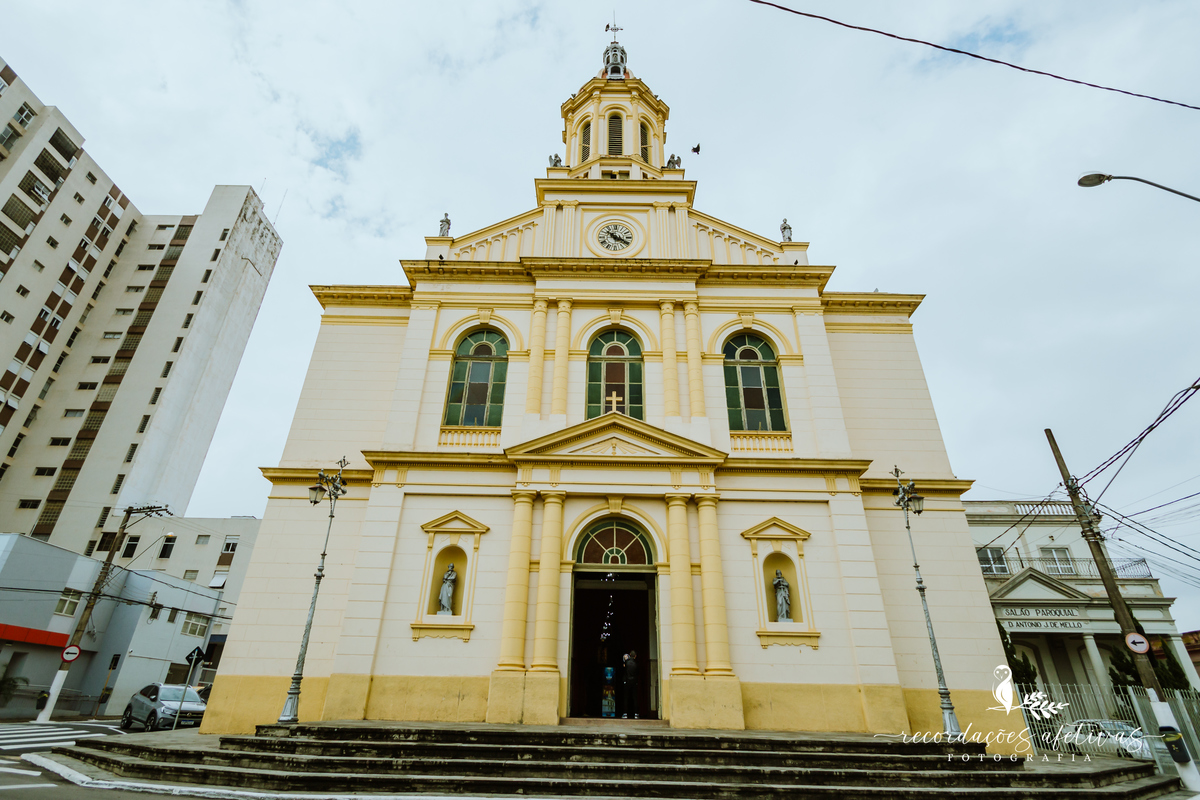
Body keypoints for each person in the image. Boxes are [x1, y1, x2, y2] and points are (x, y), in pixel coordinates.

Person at [621, 650, 639, 718]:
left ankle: (625, 713)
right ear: (635, 656)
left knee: (626, 697)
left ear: (629, 655)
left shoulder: (626, 663)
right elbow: (638, 672)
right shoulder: (636, 663)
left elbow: (624, 672)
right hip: (634, 682)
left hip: (627, 681)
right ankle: (636, 713)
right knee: (635, 698)